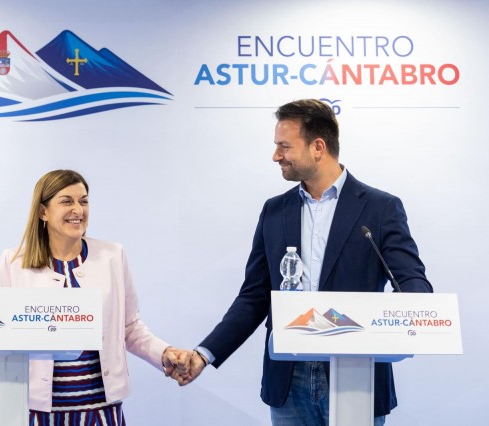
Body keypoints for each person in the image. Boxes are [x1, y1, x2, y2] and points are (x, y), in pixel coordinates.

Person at [173, 99, 433, 425]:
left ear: (318, 147)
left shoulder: (380, 208)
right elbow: (254, 296)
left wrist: (417, 308)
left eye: (284, 146)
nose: (276, 156)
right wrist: (204, 353)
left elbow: (410, 277)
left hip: (357, 374)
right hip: (288, 379)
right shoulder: (274, 211)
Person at [0, 169, 190, 425]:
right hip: (37, 415)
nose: (78, 210)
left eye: (84, 201)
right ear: (43, 212)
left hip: (100, 413)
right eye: (66, 201)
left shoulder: (112, 256)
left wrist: (164, 352)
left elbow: (129, 327)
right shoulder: (14, 263)